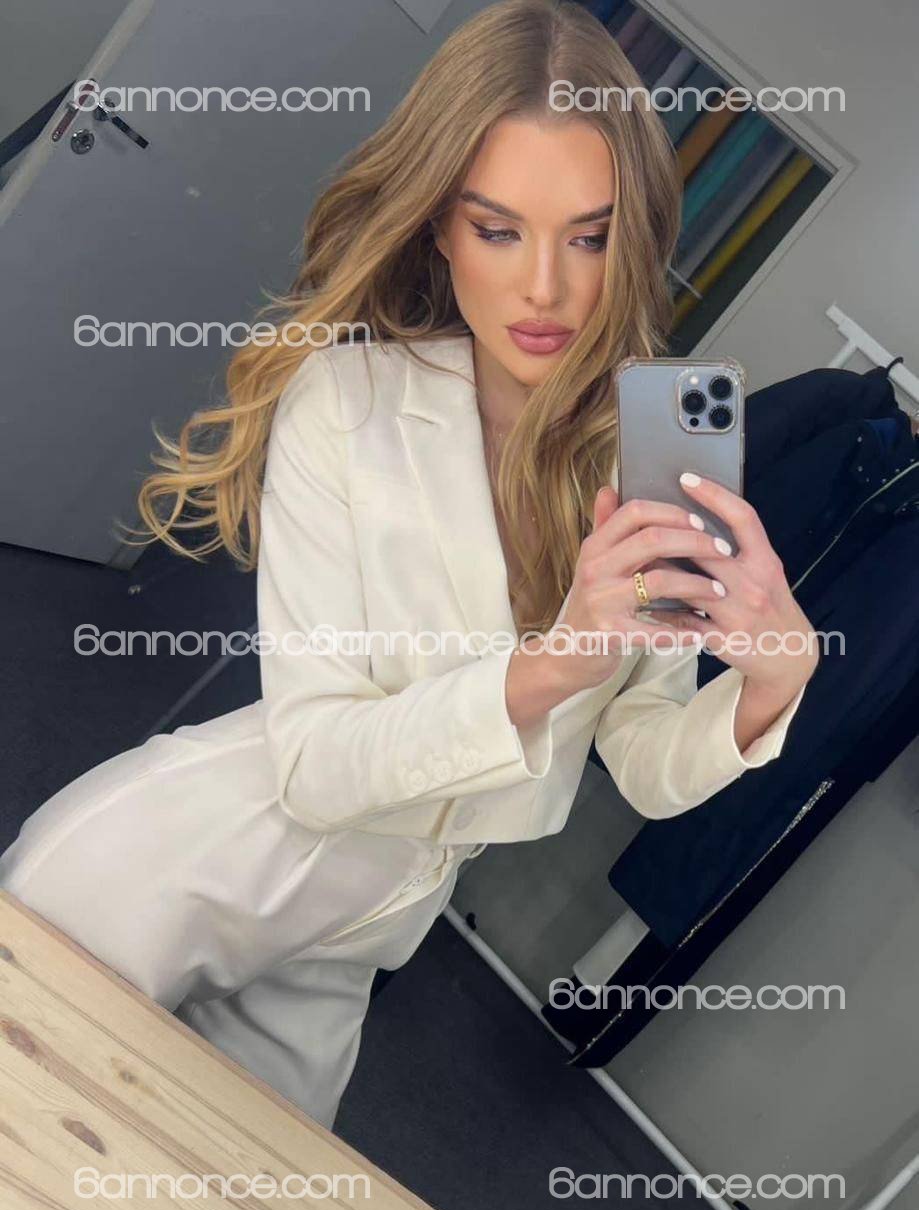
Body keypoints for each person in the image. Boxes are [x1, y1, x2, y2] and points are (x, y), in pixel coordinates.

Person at [0, 0, 817, 1130]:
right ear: (439, 225)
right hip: (182, 869)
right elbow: (318, 768)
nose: (545, 288)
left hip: (366, 936)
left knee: (242, 1203)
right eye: (498, 229)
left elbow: (641, 762)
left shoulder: (643, 461)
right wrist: (556, 660)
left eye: (588, 236)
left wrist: (774, 679)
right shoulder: (349, 401)